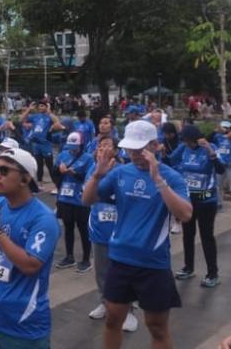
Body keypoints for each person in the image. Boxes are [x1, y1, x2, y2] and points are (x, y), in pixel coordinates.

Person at [82, 120, 192, 349]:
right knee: (113, 319)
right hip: (120, 259)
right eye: (130, 149)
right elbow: (87, 200)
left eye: (139, 149)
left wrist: (158, 181)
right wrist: (96, 176)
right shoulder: (121, 172)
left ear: (155, 145)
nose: (133, 154)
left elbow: (185, 214)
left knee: (157, 327)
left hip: (153, 263)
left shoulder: (171, 177)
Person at [0, 148, 60, 349]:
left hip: (23, 323)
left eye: (5, 171)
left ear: (24, 179)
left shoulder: (43, 219)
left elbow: (30, 265)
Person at [85, 136, 138, 332]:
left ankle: (129, 311)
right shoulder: (93, 170)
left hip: (121, 232)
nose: (102, 149)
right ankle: (105, 302)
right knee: (101, 271)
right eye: (100, 146)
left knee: (124, 273)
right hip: (99, 229)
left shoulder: (124, 171)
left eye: (107, 146)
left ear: (116, 151)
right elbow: (88, 196)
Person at [168, 125, 225, 287]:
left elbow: (220, 170)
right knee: (188, 235)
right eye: (184, 141)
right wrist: (162, 152)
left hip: (207, 201)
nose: (186, 143)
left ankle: (212, 274)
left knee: (207, 237)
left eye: (187, 140)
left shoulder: (209, 147)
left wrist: (211, 153)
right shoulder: (183, 148)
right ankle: (188, 267)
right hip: (188, 200)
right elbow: (171, 159)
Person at [53, 132, 94, 272]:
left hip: (81, 199)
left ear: (82, 145)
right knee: (68, 227)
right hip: (65, 197)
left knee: (83, 230)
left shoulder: (88, 159)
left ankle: (86, 259)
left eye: (75, 147)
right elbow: (55, 174)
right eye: (70, 146)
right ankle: (69, 256)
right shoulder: (63, 155)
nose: (72, 149)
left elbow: (89, 178)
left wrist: (73, 173)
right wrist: (59, 170)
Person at [19, 100, 64, 185]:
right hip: (36, 144)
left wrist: (49, 111)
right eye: (39, 106)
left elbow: (57, 122)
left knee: (50, 165)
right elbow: (21, 120)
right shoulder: (35, 116)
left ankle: (56, 184)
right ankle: (39, 182)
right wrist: (29, 109)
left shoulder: (48, 117)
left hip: (45, 144)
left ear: (46, 107)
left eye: (42, 106)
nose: (40, 107)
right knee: (39, 165)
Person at [213, 121, 231, 216]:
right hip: (220, 165)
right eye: (222, 127)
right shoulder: (217, 137)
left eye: (226, 127)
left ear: (230, 128)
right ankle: (219, 204)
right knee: (218, 186)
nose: (224, 129)